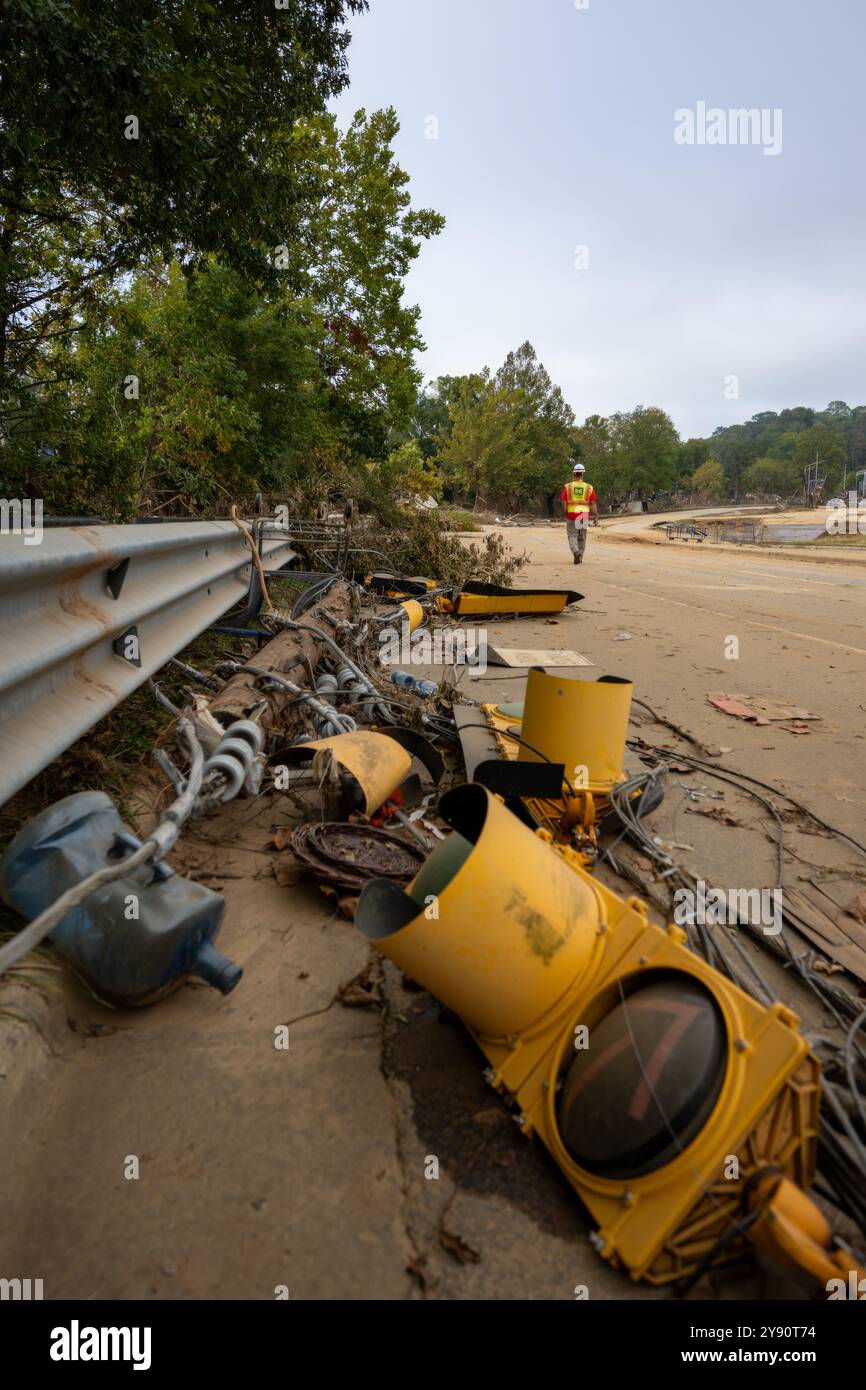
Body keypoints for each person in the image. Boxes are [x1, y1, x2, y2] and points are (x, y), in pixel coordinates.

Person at [561, 463, 598, 564]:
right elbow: (593, 503)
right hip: (583, 515)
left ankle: (576, 552)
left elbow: (564, 502)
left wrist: (565, 513)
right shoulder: (589, 487)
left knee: (572, 535)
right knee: (581, 537)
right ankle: (580, 555)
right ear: (583, 474)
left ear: (574, 474)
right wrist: (596, 516)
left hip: (571, 514)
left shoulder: (568, 487)